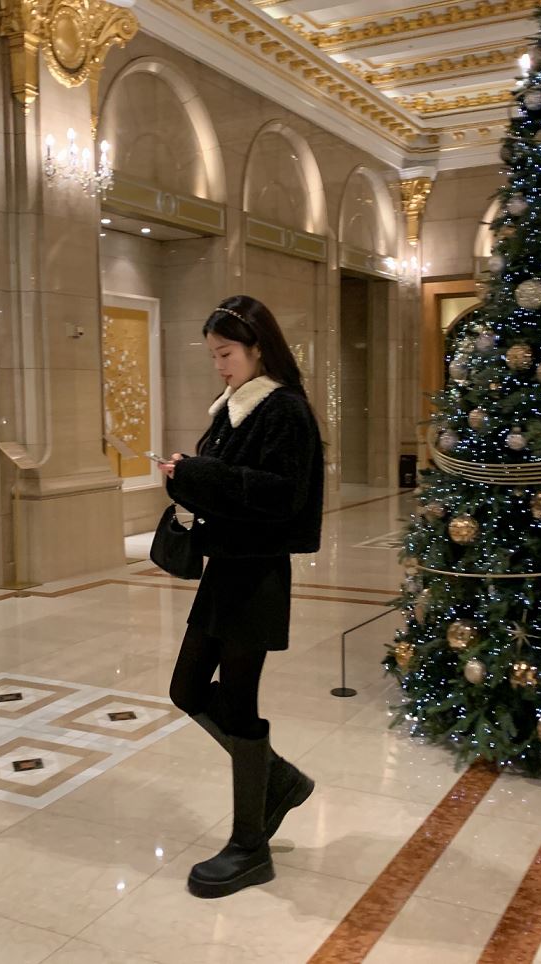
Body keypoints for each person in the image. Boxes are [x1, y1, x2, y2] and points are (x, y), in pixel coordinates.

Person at [159, 294, 324, 899]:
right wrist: (184, 476)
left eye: (226, 353)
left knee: (239, 701)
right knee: (186, 688)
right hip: (227, 570)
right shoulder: (235, 407)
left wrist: (197, 473)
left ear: (258, 348)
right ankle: (276, 780)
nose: (219, 365)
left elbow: (282, 494)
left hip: (256, 575)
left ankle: (250, 844)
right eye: (213, 356)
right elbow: (228, 488)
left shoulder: (283, 408)